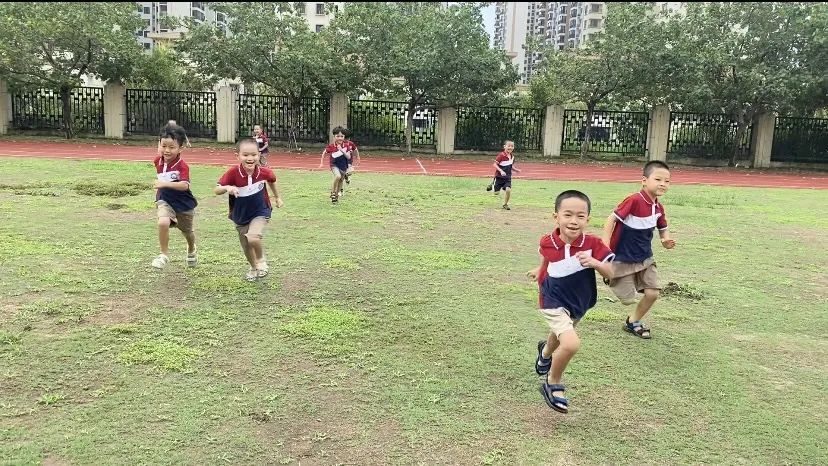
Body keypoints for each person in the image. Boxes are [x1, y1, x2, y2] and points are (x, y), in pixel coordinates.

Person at [528, 190, 615, 414]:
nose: (573, 221)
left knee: (561, 334)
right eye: (567, 215)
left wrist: (595, 263)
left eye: (580, 216)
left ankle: (545, 355)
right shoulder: (548, 241)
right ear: (556, 216)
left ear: (588, 219)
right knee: (571, 343)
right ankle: (552, 382)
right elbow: (545, 255)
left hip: (578, 301)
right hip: (550, 299)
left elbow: (612, 272)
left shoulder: (593, 244)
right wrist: (540, 270)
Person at [602, 160, 676, 339]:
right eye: (658, 179)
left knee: (653, 293)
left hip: (645, 258)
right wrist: (604, 244)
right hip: (622, 256)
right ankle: (608, 274)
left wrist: (665, 240)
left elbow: (662, 227)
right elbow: (611, 219)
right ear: (644, 180)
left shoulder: (658, 207)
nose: (662, 184)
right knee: (627, 299)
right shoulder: (634, 200)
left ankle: (633, 321)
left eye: (667, 181)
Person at [215, 138, 284, 281]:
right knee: (246, 245)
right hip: (240, 214)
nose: (250, 158)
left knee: (253, 236)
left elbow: (272, 180)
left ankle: (261, 261)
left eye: (253, 155)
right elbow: (217, 189)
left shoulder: (264, 172)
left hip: (261, 210)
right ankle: (253, 267)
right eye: (245, 155)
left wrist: (277, 197)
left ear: (259, 155)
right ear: (238, 156)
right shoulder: (233, 173)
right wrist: (228, 188)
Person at [151, 123, 198, 269]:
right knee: (163, 222)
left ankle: (192, 249)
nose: (167, 150)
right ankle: (163, 255)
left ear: (181, 148)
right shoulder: (157, 161)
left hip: (183, 203)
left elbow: (185, 185)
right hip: (165, 200)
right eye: (163, 146)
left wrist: (164, 184)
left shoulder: (182, 166)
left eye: (172, 147)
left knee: (187, 232)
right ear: (159, 144)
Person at [318, 126, 352, 204]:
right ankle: (332, 192)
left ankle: (336, 196)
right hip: (334, 165)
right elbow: (324, 152)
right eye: (338, 136)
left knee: (341, 181)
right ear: (334, 136)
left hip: (343, 166)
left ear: (344, 137)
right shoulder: (331, 146)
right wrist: (321, 163)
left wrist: (342, 150)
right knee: (337, 176)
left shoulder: (346, 145)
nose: (340, 138)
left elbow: (348, 156)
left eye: (342, 136)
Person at [485, 140, 521, 210]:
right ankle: (492, 185)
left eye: (512, 146)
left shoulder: (512, 157)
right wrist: (501, 171)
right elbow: (494, 164)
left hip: (507, 178)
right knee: (496, 193)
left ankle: (505, 204)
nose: (510, 147)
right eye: (509, 146)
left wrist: (516, 170)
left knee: (508, 190)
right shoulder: (501, 155)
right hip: (499, 177)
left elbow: (510, 166)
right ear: (504, 146)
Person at [339, 128, 361, 197]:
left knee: (349, 173)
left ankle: (347, 177)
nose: (346, 140)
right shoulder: (339, 144)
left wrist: (358, 157)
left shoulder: (351, 144)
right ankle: (340, 191)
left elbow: (356, 150)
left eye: (348, 138)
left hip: (349, 162)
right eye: (345, 139)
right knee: (340, 178)